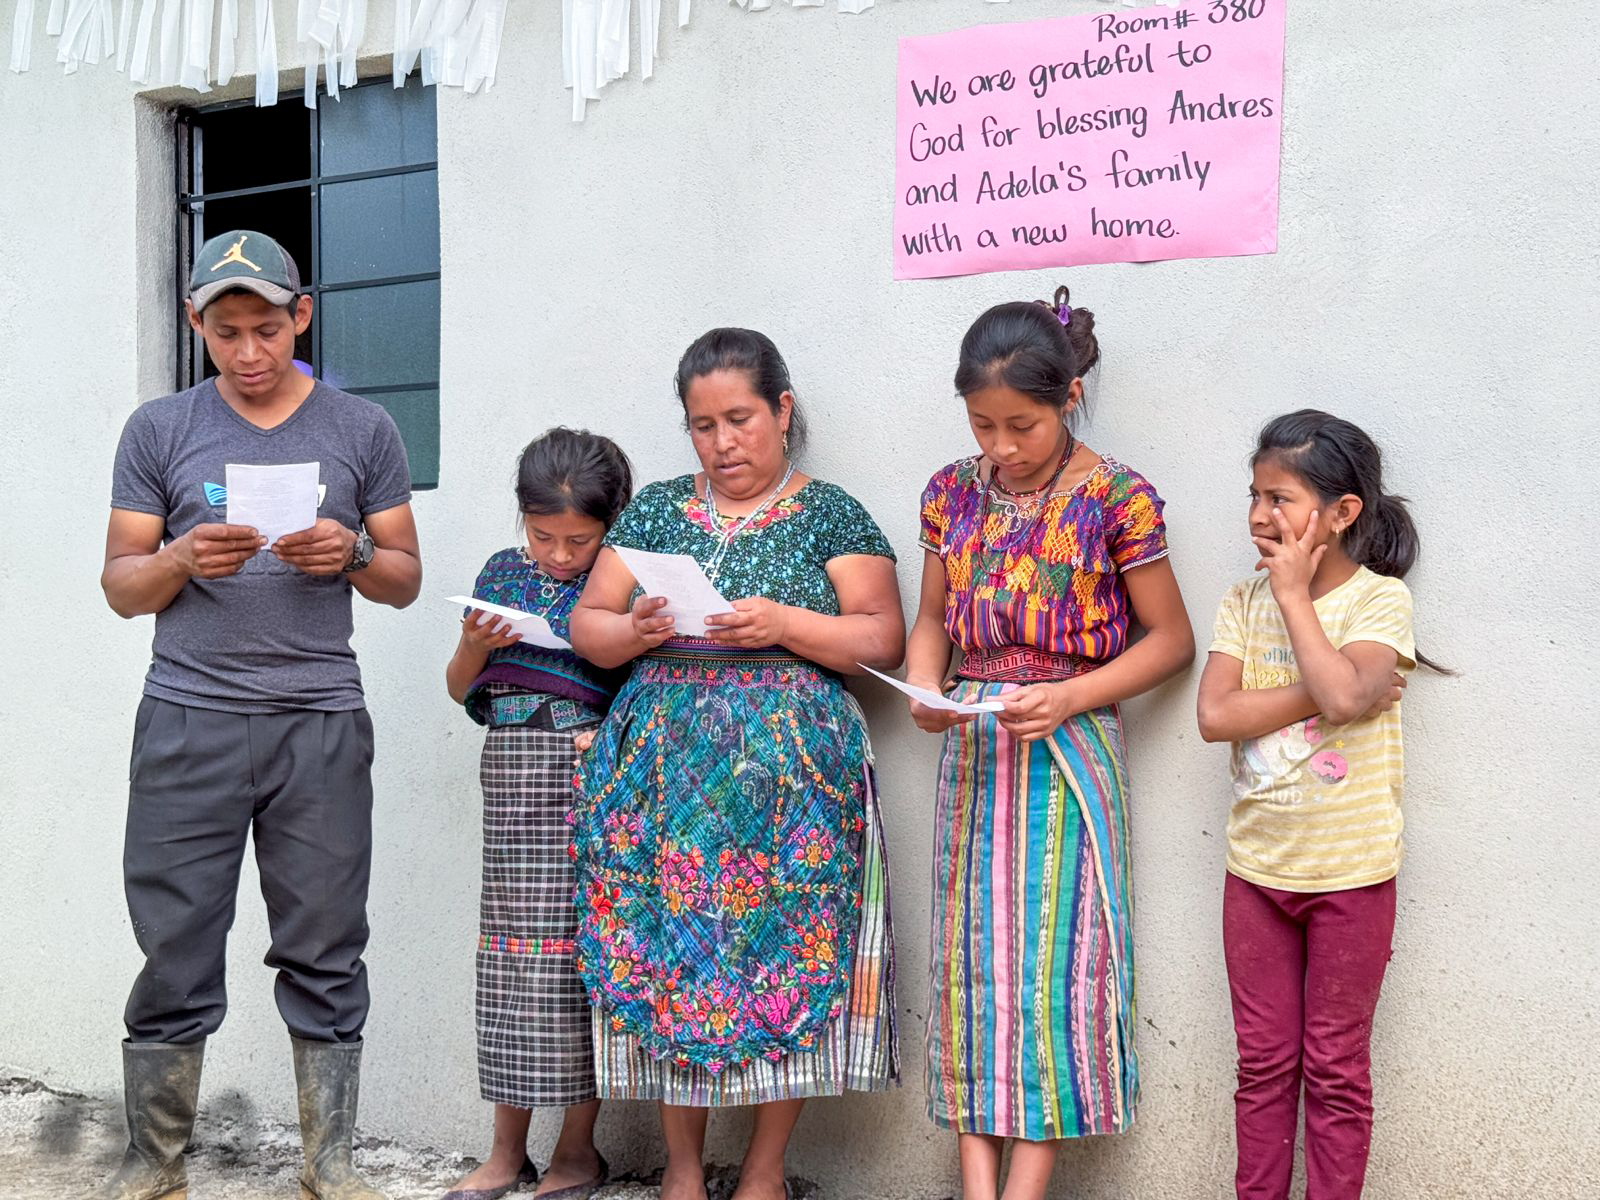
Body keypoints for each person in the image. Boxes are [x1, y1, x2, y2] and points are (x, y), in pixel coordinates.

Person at [97, 229, 421, 1200]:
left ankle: (332, 1163)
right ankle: (154, 1165)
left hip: (317, 721)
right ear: (196, 323)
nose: (248, 352)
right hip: (188, 719)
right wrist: (181, 561)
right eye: (226, 331)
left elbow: (405, 579)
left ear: (302, 316)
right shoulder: (157, 430)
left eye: (267, 328)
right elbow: (120, 586)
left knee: (325, 942)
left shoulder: (365, 431)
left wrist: (355, 554)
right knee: (175, 943)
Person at [567, 328, 905, 1200]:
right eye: (703, 425)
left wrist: (786, 625)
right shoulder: (653, 514)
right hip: (664, 787)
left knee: (786, 956)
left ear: (783, 411)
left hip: (795, 789)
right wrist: (633, 629)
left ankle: (761, 1172)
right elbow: (588, 629)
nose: (724, 443)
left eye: (741, 419)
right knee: (672, 963)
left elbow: (883, 636)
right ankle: (682, 1172)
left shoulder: (831, 512)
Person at [905, 288, 1195, 1200]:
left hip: (1069, 753)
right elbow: (929, 624)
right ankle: (975, 1186)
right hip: (978, 757)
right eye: (983, 424)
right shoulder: (951, 493)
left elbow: (1171, 640)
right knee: (973, 966)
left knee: (1055, 967)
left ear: (1069, 397)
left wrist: (1070, 694)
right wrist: (924, 690)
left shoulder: (1119, 498)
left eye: (1020, 425)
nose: (999, 446)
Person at [1197, 410, 1438, 1200]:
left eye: (1282, 498)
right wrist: (1341, 696)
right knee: (1263, 1066)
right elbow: (1215, 717)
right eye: (1255, 495)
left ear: (1341, 514)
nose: (1261, 516)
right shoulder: (1241, 600)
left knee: (1335, 1071)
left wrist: (1298, 602)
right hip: (1257, 872)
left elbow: (1341, 687)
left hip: (1352, 876)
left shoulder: (1378, 604)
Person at [441, 429, 633, 1200]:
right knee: (510, 962)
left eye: (578, 540)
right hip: (514, 778)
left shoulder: (624, 585)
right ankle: (505, 1149)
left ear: (612, 522)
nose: (558, 555)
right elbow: (462, 691)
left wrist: (604, 735)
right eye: (543, 536)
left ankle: (578, 1151)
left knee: (578, 964)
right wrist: (468, 643)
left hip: (588, 779)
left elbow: (640, 686)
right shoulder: (501, 575)